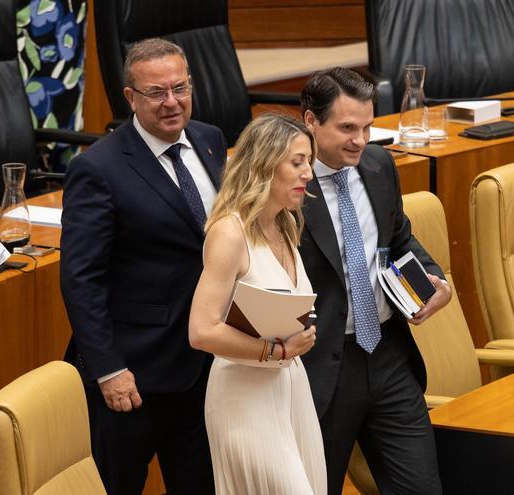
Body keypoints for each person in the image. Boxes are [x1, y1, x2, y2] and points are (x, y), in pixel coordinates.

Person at [60, 38, 226, 495]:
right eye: (157, 93)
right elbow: (81, 280)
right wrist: (109, 369)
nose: (171, 102)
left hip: (205, 363)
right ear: (131, 98)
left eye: (180, 88)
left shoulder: (210, 141)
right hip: (135, 376)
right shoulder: (98, 168)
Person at [298, 67, 452, 495]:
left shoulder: (379, 164)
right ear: (310, 121)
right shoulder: (286, 185)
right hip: (322, 365)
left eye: (367, 127)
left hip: (388, 354)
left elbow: (398, 235)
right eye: (347, 128)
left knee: (422, 487)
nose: (360, 141)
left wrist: (435, 278)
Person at [189, 113, 326, 494]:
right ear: (265, 163)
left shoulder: (284, 223)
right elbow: (201, 331)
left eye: (309, 163)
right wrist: (276, 349)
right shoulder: (229, 233)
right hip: (244, 399)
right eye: (297, 162)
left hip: (289, 389)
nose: (308, 175)